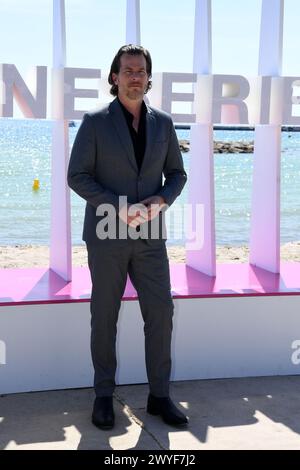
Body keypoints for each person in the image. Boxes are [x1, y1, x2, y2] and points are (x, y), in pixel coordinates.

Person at [67, 45, 188, 430]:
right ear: (114, 77)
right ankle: (104, 395)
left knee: (161, 314)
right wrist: (115, 205)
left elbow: (177, 175)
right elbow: (77, 176)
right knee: (105, 315)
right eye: (128, 70)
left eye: (141, 71)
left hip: (151, 235)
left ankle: (159, 395)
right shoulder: (94, 121)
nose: (135, 76)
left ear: (149, 77)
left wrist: (163, 200)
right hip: (106, 236)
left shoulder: (165, 123)